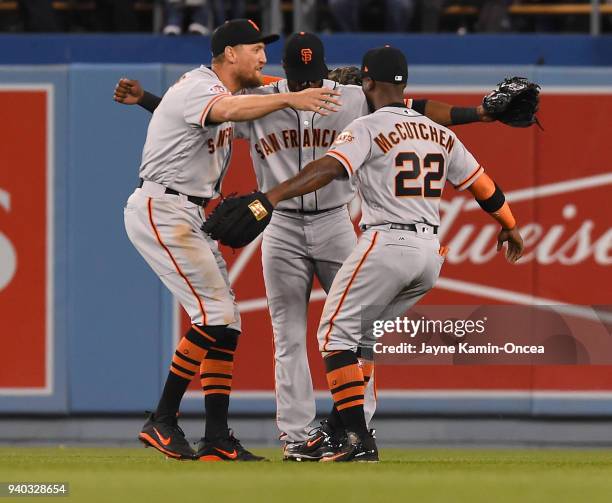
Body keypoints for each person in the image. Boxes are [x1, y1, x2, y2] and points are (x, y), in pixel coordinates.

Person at [114, 32, 502, 461]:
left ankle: (354, 427)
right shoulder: (260, 98)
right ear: (285, 74)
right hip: (278, 225)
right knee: (289, 338)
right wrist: (150, 99)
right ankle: (297, 438)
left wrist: (478, 113)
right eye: (298, 79)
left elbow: (415, 111)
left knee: (358, 331)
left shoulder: (352, 97)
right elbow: (201, 116)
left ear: (324, 70)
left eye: (311, 77)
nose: (305, 87)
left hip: (337, 222)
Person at [257, 45, 524, 461]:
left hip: (387, 242)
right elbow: (483, 186)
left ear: (366, 83)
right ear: (405, 86)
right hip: (430, 256)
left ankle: (357, 439)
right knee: (361, 338)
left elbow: (328, 168)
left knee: (333, 335)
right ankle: (344, 428)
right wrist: (509, 225)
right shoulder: (440, 133)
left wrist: (270, 196)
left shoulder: (366, 125)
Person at [122, 18, 341, 462]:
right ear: (229, 55)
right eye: (255, 49)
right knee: (215, 315)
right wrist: (294, 96)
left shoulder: (227, 90)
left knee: (227, 325)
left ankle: (217, 438)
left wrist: (327, 82)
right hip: (161, 209)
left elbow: (219, 107)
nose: (262, 57)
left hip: (187, 209)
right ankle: (162, 419)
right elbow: (227, 112)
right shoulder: (201, 88)